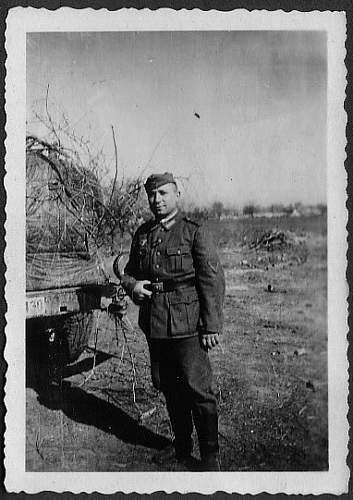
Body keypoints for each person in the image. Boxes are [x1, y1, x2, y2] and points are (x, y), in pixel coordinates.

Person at [115, 172, 225, 471]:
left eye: (163, 193)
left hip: (188, 323)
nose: (157, 200)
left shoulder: (194, 232)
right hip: (155, 321)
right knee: (168, 386)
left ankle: (210, 455)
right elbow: (128, 272)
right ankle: (181, 446)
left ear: (177, 194)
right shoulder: (143, 234)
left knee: (198, 388)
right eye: (152, 195)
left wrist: (211, 325)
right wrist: (132, 286)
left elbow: (212, 280)